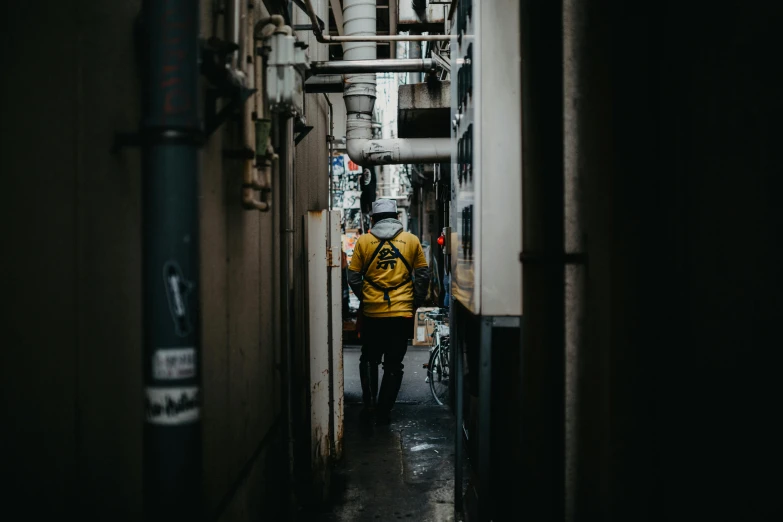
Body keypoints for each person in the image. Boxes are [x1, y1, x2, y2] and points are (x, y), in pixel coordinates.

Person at [347, 199, 430, 426]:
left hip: (373, 313)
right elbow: (423, 274)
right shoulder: (411, 240)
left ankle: (370, 403)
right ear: (396, 217)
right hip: (401, 313)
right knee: (394, 364)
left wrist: (366, 297)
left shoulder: (364, 241)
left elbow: (353, 276)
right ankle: (385, 409)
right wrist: (415, 302)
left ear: (372, 219)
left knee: (369, 358)